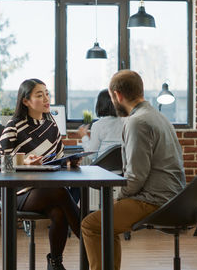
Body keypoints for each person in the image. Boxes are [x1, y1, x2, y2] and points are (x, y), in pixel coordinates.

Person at [81, 70, 185, 270]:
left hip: (154, 200)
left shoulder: (137, 122)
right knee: (104, 225)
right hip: (174, 196)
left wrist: (119, 198)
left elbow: (136, 176)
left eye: (112, 98)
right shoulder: (157, 116)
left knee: (91, 225)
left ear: (118, 95)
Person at [0, 78, 81, 270]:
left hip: (46, 190)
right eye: (39, 95)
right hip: (16, 192)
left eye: (47, 94)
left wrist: (68, 162)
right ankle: (89, 236)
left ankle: (55, 263)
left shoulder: (52, 127)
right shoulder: (14, 126)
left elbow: (54, 163)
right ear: (25, 101)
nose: (46, 98)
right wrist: (23, 161)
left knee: (59, 212)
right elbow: (0, 163)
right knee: (59, 193)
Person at [77, 89, 124, 163]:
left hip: (102, 171)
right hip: (121, 171)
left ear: (100, 104)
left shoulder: (98, 125)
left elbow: (91, 155)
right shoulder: (126, 122)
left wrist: (84, 136)